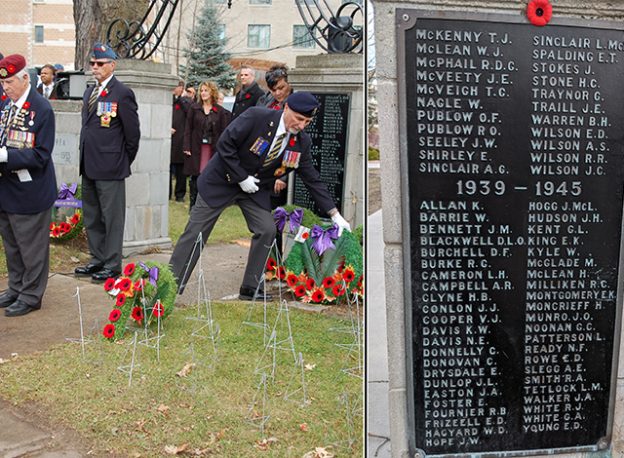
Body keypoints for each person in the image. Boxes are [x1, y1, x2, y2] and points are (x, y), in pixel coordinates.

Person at [169, 92, 351, 301]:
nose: (301, 125)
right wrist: (241, 177)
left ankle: (251, 287)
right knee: (195, 233)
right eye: (299, 119)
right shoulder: (256, 117)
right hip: (222, 182)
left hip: (254, 190)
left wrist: (335, 214)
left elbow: (312, 180)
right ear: (286, 109)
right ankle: (170, 285)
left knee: (267, 229)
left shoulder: (301, 143)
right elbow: (225, 144)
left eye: (307, 121)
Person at [74, 43, 141, 281]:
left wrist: (122, 160)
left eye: (100, 63)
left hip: (111, 167)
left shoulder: (122, 92)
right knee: (92, 216)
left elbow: (132, 134)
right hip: (89, 164)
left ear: (112, 65)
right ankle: (97, 259)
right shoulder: (89, 91)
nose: (95, 67)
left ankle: (112, 264)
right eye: (93, 63)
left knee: (112, 218)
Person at [0, 54, 58, 316]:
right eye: (3, 84)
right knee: (12, 245)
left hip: (31, 191)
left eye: (10, 82)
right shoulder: (6, 106)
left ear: (25, 78)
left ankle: (32, 294)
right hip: (7, 189)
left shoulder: (41, 109)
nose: (5, 87)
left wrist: (4, 156)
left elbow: (41, 155)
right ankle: (16, 287)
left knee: (31, 247)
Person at [256, 65, 295, 256]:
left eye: (281, 88)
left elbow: (294, 144)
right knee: (263, 218)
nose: (278, 93)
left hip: (281, 170)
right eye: (274, 89)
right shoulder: (265, 102)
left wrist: (283, 175)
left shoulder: (296, 104)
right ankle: (267, 260)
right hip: (262, 167)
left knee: (277, 218)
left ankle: (277, 260)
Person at [183, 81, 231, 209]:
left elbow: (223, 132)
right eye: (202, 90)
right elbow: (188, 128)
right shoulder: (194, 108)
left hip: (212, 148)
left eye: (206, 90)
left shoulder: (220, 111)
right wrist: (186, 146)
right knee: (195, 175)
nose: (203, 93)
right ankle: (193, 204)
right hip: (196, 147)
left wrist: (222, 151)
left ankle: (206, 203)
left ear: (212, 93)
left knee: (209, 174)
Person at [170, 80, 190, 202]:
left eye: (176, 86)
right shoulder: (169, 100)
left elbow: (189, 112)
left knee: (180, 170)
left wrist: (181, 98)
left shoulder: (186, 101)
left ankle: (180, 194)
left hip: (181, 140)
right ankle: (167, 193)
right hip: (169, 140)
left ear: (181, 88)